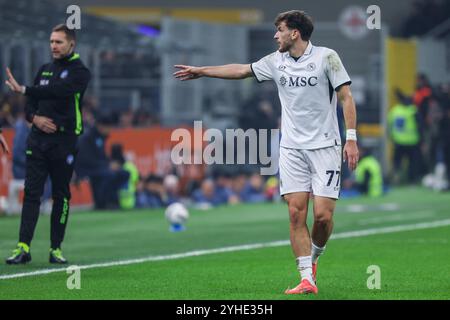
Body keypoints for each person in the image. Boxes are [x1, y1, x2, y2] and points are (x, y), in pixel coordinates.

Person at [174, 10, 359, 295]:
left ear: (294, 33)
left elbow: (346, 97)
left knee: (322, 216)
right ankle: (306, 278)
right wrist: (203, 71)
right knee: (296, 213)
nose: (275, 35)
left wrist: (351, 139)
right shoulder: (276, 62)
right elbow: (241, 70)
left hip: (326, 146)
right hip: (292, 147)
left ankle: (315, 257)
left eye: (280, 30)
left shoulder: (327, 57)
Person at [4, 24, 91, 264]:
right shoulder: (43, 69)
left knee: (61, 195)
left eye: (59, 42)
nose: (53, 46)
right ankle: (23, 248)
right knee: (32, 193)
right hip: (39, 140)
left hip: (65, 141)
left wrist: (23, 88)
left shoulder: (80, 72)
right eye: (51, 41)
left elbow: (58, 91)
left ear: (71, 44)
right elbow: (30, 105)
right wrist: (35, 119)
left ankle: (56, 249)